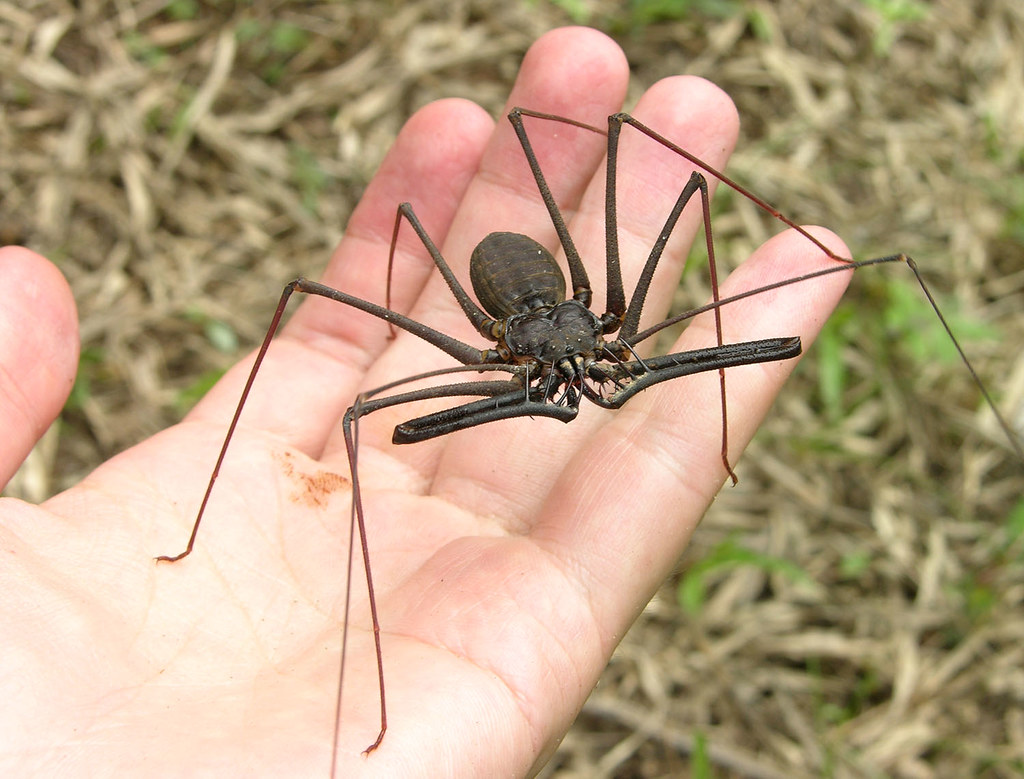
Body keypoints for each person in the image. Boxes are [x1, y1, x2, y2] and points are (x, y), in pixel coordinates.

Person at [0, 27, 848, 777]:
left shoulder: (602, 318)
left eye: (592, 358)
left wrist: (705, 407)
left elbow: (686, 209)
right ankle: (284, 626)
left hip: (558, 298)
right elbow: (365, 387)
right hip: (506, 300)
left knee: (674, 179)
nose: (584, 375)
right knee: (360, 405)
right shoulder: (488, 348)